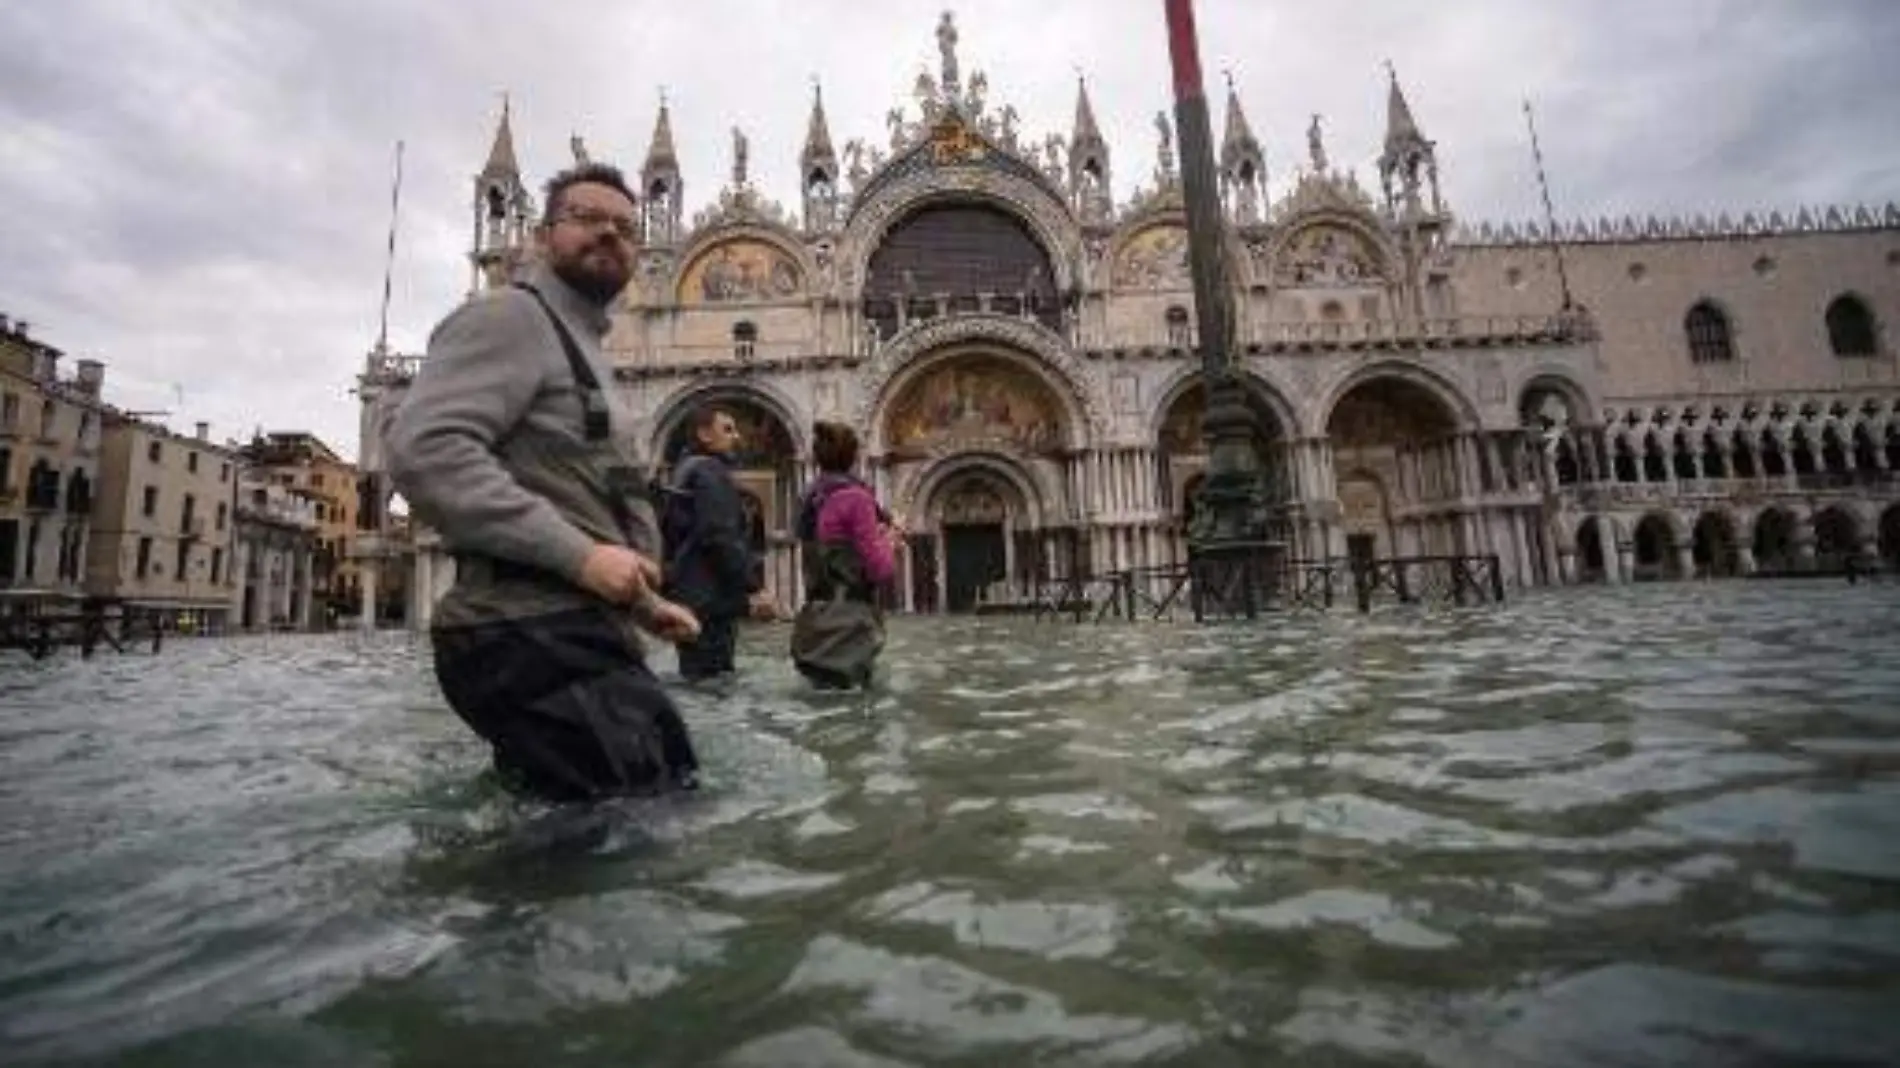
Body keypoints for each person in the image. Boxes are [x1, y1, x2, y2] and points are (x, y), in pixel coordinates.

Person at [385, 161, 703, 803]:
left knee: (616, 824)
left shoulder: (579, 346)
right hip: (531, 632)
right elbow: (425, 450)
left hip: (566, 630)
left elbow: (582, 494)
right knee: (632, 835)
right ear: (539, 234)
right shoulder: (509, 317)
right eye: (586, 218)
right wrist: (582, 559)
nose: (609, 234)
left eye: (625, 226)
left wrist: (642, 603)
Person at [659, 406, 775, 682]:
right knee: (713, 686)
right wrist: (754, 587)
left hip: (688, 595)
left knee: (698, 681)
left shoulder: (685, 468)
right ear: (704, 434)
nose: (736, 437)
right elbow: (719, 536)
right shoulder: (710, 472)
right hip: (710, 602)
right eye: (727, 429)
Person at [789, 422, 901, 689]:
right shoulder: (856, 498)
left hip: (814, 625)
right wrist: (891, 540)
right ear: (855, 457)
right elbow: (880, 568)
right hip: (850, 627)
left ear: (817, 458)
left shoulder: (810, 497)